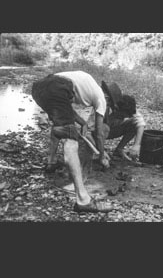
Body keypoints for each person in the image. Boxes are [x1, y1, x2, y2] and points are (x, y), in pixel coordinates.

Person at [31, 71, 113, 213]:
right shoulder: (101, 99)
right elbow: (99, 133)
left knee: (60, 127)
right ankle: (83, 200)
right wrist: (101, 155)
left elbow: (65, 108)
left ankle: (51, 162)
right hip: (56, 88)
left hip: (38, 89)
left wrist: (82, 123)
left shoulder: (86, 83)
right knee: (71, 140)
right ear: (108, 97)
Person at [89, 82, 146, 161]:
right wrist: (101, 152)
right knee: (104, 128)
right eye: (122, 116)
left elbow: (141, 123)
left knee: (133, 124)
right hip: (96, 133)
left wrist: (137, 145)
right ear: (116, 108)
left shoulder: (127, 104)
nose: (122, 118)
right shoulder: (101, 105)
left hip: (109, 130)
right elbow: (88, 131)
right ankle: (94, 151)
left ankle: (119, 150)